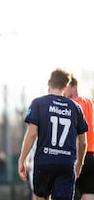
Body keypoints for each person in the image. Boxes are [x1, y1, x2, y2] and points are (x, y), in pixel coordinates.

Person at [18, 68, 88, 200]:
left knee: (39, 197)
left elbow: (32, 134)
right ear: (66, 86)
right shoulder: (75, 107)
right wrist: (80, 163)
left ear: (49, 82)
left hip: (44, 162)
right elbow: (83, 141)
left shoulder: (38, 103)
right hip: (66, 163)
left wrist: (22, 159)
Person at [64, 74, 94, 200]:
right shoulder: (91, 103)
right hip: (92, 155)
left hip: (79, 155)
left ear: (74, 87)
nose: (63, 91)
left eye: (65, 87)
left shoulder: (72, 105)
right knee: (89, 192)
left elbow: (75, 133)